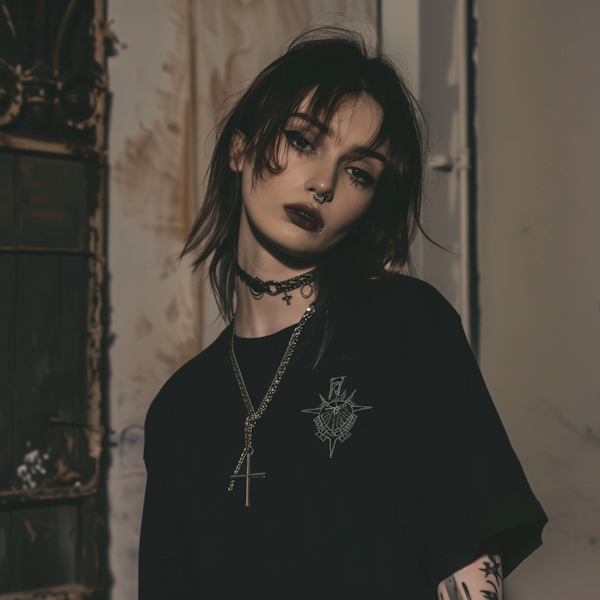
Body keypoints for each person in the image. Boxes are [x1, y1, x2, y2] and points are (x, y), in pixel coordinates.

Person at [139, 28, 547, 600]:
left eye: (359, 172)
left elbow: (466, 566)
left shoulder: (406, 330)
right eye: (303, 141)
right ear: (240, 146)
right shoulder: (178, 411)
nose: (324, 183)